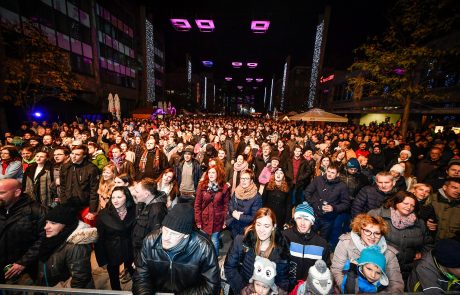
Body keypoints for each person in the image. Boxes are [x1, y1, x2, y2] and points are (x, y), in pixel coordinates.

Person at [132, 203, 220, 294]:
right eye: (165, 230)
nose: (165, 237)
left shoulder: (203, 248)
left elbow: (211, 286)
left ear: (186, 235)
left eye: (174, 234)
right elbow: (141, 276)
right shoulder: (150, 241)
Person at [331, 213, 404, 293]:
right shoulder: (346, 243)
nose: (372, 236)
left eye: (377, 233)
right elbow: (337, 271)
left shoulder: (389, 253)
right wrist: (348, 290)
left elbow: (396, 283)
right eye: (367, 231)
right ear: (360, 230)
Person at [224, 208, 290, 294]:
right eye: (258, 224)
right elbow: (229, 267)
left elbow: (282, 280)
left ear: (273, 227)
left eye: (266, 226)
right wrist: (244, 290)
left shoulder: (281, 248)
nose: (261, 230)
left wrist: (270, 292)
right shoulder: (241, 241)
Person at [368, 191, 430, 280]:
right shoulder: (377, 215)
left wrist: (421, 253)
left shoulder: (419, 223)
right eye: (405, 203)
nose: (409, 207)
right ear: (396, 202)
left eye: (412, 205)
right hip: (379, 267)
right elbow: (362, 237)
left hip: (407, 271)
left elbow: (428, 243)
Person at [37, 205, 96, 288]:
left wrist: (60, 291)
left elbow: (80, 279)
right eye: (46, 222)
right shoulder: (52, 240)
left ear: (65, 225)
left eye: (53, 223)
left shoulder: (75, 246)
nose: (46, 227)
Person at [0, 179, 47, 284]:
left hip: (24, 271)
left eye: (2, 193)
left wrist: (23, 262)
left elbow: (44, 238)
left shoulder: (36, 211)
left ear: (17, 192)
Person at [282, 202, 330, 289]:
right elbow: (278, 263)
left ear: (312, 222)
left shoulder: (321, 244)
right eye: (299, 218)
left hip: (309, 289)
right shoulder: (285, 237)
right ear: (295, 219)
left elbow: (325, 270)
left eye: (307, 219)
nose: (302, 223)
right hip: (287, 287)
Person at [96, 186, 136, 290]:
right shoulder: (103, 214)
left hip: (130, 249)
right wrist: (102, 260)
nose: (115, 200)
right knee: (114, 279)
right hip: (111, 251)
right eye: (113, 197)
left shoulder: (135, 211)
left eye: (119, 197)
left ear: (126, 197)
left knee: (136, 276)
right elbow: (99, 239)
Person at [304, 164, 350, 243]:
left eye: (332, 173)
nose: (329, 174)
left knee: (323, 241)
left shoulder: (342, 186)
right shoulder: (318, 180)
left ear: (337, 174)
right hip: (314, 215)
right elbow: (307, 192)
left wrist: (334, 208)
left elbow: (346, 204)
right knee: (309, 238)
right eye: (328, 171)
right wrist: (315, 204)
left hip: (328, 219)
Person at [194, 165, 230, 254]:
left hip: (217, 219)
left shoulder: (224, 187)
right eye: (209, 172)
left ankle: (214, 260)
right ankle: (203, 259)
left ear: (218, 174)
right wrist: (198, 220)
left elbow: (226, 205)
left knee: (214, 240)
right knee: (203, 241)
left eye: (213, 172)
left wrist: (225, 220)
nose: (211, 174)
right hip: (204, 218)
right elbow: (197, 205)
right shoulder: (202, 186)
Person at [60, 144, 99, 224]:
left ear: (84, 156)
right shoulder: (65, 167)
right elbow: (62, 186)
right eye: (72, 153)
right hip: (68, 204)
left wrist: (92, 210)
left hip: (84, 205)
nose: (73, 156)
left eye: (77, 154)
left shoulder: (91, 168)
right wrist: (63, 202)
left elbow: (94, 190)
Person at [131, 178, 168, 264]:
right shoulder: (144, 203)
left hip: (145, 255)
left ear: (146, 194)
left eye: (137, 191)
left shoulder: (157, 211)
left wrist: (141, 258)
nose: (134, 193)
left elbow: (155, 240)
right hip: (138, 250)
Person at [226, 169, 263, 239]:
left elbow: (255, 216)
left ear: (251, 181)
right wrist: (233, 212)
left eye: (246, 178)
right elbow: (230, 204)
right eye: (242, 178)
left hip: (247, 229)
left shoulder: (257, 197)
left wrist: (240, 217)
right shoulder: (236, 191)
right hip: (234, 226)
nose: (243, 180)